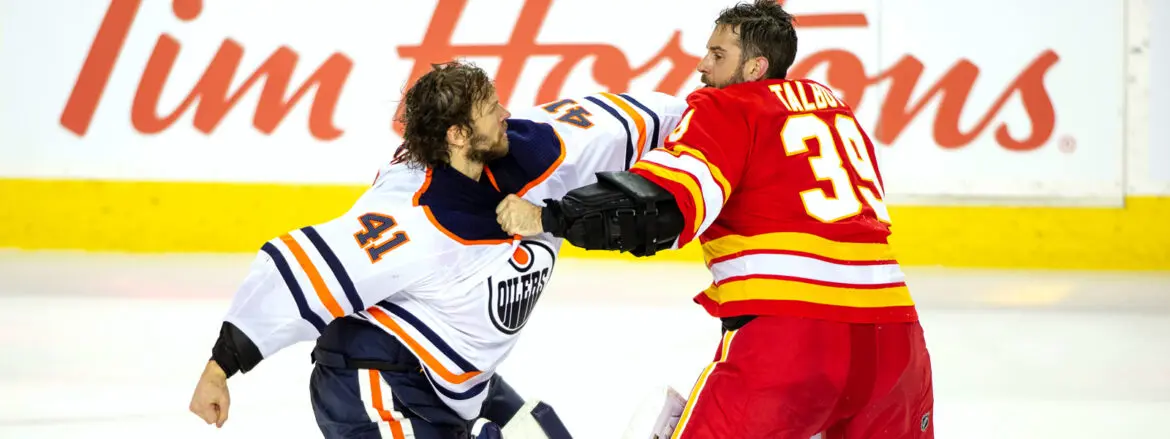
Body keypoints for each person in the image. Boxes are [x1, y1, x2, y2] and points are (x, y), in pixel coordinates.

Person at [495, 1, 935, 438]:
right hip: (896, 342)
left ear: (755, 68)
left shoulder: (727, 106)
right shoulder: (835, 109)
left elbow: (659, 209)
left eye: (718, 55)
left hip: (792, 342)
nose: (702, 66)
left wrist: (548, 216)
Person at [187, 60, 688, 439]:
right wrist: (218, 371)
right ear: (458, 135)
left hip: (458, 382)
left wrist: (720, 110)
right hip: (373, 383)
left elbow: (639, 118)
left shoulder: (546, 146)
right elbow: (298, 271)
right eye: (492, 110)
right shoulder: (406, 217)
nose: (507, 114)